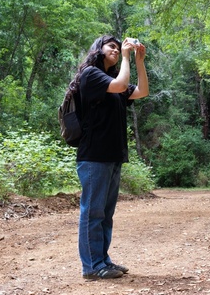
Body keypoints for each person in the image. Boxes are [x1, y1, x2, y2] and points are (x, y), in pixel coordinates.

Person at [68, 35, 149, 280]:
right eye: (111, 46)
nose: (115, 49)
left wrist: (139, 60)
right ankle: (92, 266)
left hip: (112, 156)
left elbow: (142, 91)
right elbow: (122, 85)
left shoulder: (114, 82)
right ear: (98, 50)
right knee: (92, 212)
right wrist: (125, 56)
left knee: (105, 213)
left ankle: (102, 260)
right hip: (94, 156)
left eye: (118, 47)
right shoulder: (91, 75)